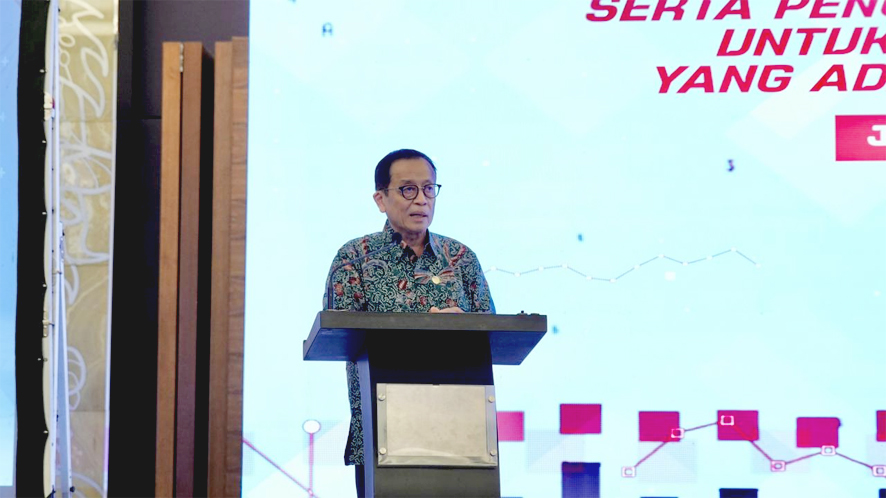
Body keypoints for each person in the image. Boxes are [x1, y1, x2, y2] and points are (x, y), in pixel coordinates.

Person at [323, 148, 495, 497]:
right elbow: (343, 335)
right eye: (408, 189)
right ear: (380, 199)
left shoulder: (461, 258)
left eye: (429, 188)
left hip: (462, 433)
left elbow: (492, 333)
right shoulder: (353, 258)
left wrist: (462, 328)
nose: (421, 199)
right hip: (382, 432)